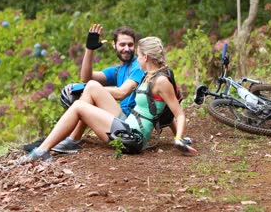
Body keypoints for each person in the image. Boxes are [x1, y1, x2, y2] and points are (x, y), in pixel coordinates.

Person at [19, 36, 197, 162]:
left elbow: (177, 114)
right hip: (128, 124)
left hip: (132, 138)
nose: (137, 58)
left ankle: (42, 150)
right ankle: (70, 141)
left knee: (79, 107)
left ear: (146, 56)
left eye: (138, 54)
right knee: (93, 86)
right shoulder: (149, 75)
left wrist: (179, 139)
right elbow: (164, 112)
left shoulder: (161, 80)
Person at [24, 24, 145, 153]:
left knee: (91, 87)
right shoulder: (118, 70)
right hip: (122, 120)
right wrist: (89, 49)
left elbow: (121, 93)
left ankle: (70, 139)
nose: (126, 48)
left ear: (135, 46)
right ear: (114, 45)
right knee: (90, 88)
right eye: (122, 45)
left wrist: (84, 88)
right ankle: (69, 139)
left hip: (131, 125)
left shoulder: (138, 66)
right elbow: (86, 77)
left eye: (130, 45)